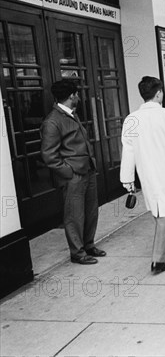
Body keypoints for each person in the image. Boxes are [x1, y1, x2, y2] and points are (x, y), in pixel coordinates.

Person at [120, 76, 165, 274]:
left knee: (160, 208)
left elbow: (128, 150)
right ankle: (158, 261)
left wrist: (127, 178)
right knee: (164, 212)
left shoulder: (131, 119)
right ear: (159, 93)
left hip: (146, 171)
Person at [40, 79, 105, 265]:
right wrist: (68, 172)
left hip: (87, 170)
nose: (78, 97)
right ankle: (77, 252)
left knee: (91, 211)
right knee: (74, 215)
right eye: (76, 94)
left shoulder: (70, 114)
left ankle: (89, 245)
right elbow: (49, 156)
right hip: (74, 175)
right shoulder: (53, 121)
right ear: (71, 96)